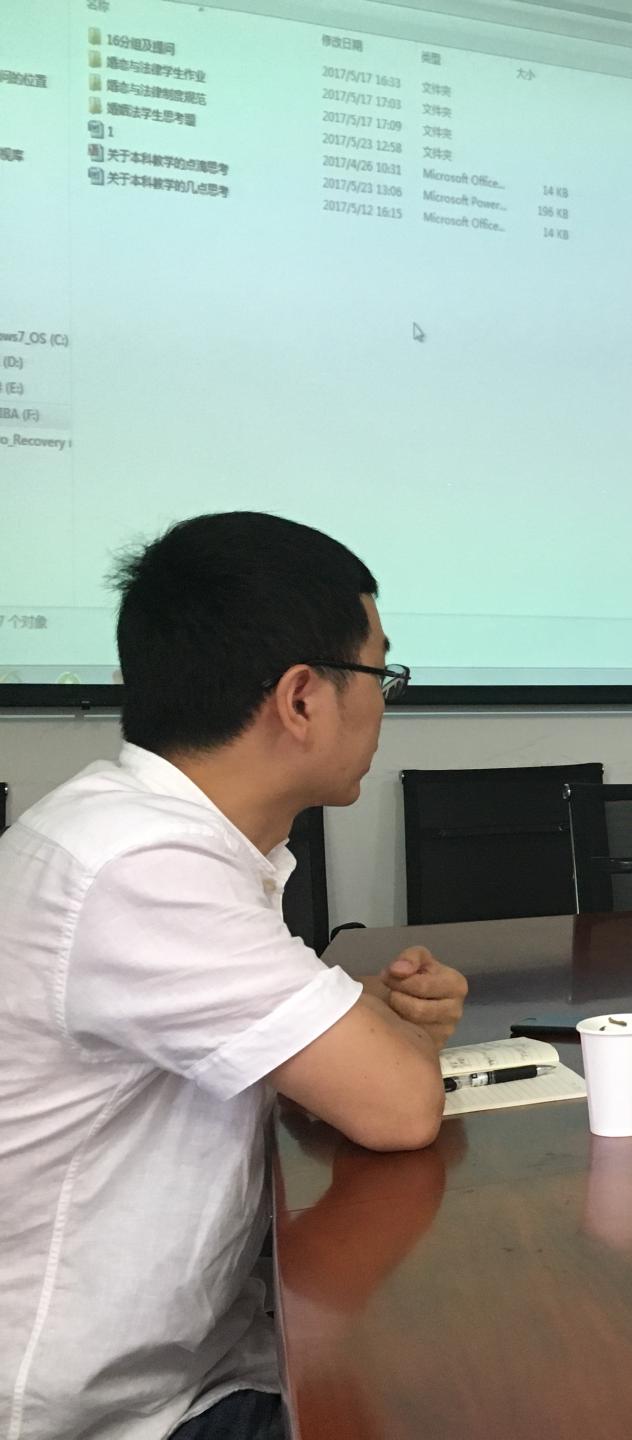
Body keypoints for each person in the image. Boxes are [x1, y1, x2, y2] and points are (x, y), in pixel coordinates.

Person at [0, 513, 468, 1440]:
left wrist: (372, 1028)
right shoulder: (141, 867)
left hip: (196, 1357)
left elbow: (327, 1075)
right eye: (382, 675)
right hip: (108, 1415)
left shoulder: (150, 834)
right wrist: (394, 1043)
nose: (387, 705)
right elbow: (400, 1106)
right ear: (301, 699)